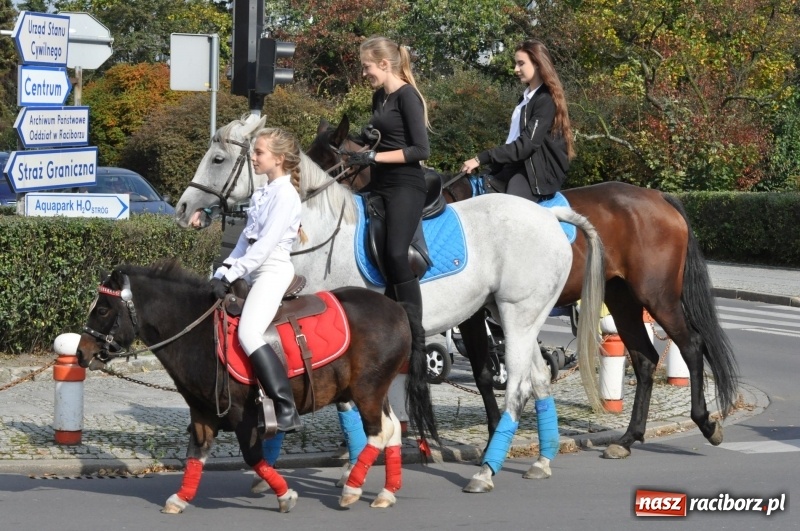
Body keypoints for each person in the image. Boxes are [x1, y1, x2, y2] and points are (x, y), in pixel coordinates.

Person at [209, 127, 305, 433]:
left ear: (277, 159)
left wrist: (232, 275)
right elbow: (243, 244)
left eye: (259, 152)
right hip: (254, 269)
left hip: (273, 271)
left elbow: (263, 249)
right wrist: (219, 273)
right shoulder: (263, 191)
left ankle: (285, 406)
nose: (253, 157)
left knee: (249, 334)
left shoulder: (286, 195)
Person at [344, 36, 431, 320]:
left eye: (367, 66)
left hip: (406, 184)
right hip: (379, 182)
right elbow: (384, 140)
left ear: (384, 64)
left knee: (395, 254)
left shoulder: (408, 96)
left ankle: (413, 326)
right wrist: (367, 144)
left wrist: (374, 157)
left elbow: (421, 150)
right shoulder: (379, 96)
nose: (365, 72)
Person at [460, 39, 574, 203]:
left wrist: (481, 158)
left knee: (509, 210)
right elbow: (513, 141)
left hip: (537, 173)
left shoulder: (545, 100)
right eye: (516, 64)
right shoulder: (526, 99)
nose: (516, 69)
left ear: (537, 63)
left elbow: (527, 145)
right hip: (519, 165)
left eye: (521, 64)